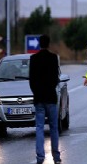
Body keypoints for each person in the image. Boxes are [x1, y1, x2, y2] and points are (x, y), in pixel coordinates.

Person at [29, 34, 61, 164]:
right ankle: (56, 157)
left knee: (39, 128)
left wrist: (37, 92)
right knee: (54, 128)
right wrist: (50, 88)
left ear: (39, 44)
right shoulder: (53, 58)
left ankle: (40, 158)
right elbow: (55, 78)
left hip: (39, 99)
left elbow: (31, 80)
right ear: (48, 44)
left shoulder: (34, 59)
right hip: (51, 98)